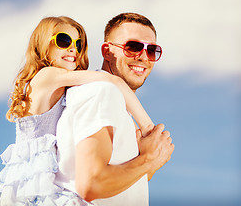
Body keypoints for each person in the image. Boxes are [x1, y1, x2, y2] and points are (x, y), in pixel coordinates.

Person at [0, 15, 157, 205]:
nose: (73, 48)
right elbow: (113, 81)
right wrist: (149, 129)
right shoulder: (46, 76)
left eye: (78, 44)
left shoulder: (66, 88)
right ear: (43, 44)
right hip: (32, 184)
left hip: (43, 181)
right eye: (63, 41)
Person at [54, 12, 175, 205]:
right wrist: (149, 159)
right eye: (133, 47)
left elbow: (116, 188)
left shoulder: (115, 101)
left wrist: (148, 165)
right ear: (107, 52)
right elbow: (91, 185)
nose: (143, 56)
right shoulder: (101, 92)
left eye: (151, 50)